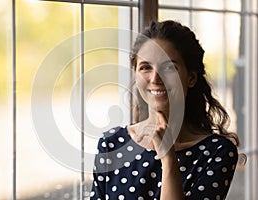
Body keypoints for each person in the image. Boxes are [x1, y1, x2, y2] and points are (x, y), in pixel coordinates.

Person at [90, 20, 241, 200]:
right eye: (145, 67)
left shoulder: (218, 152)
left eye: (169, 67)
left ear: (191, 78)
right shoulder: (112, 144)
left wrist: (168, 159)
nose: (155, 78)